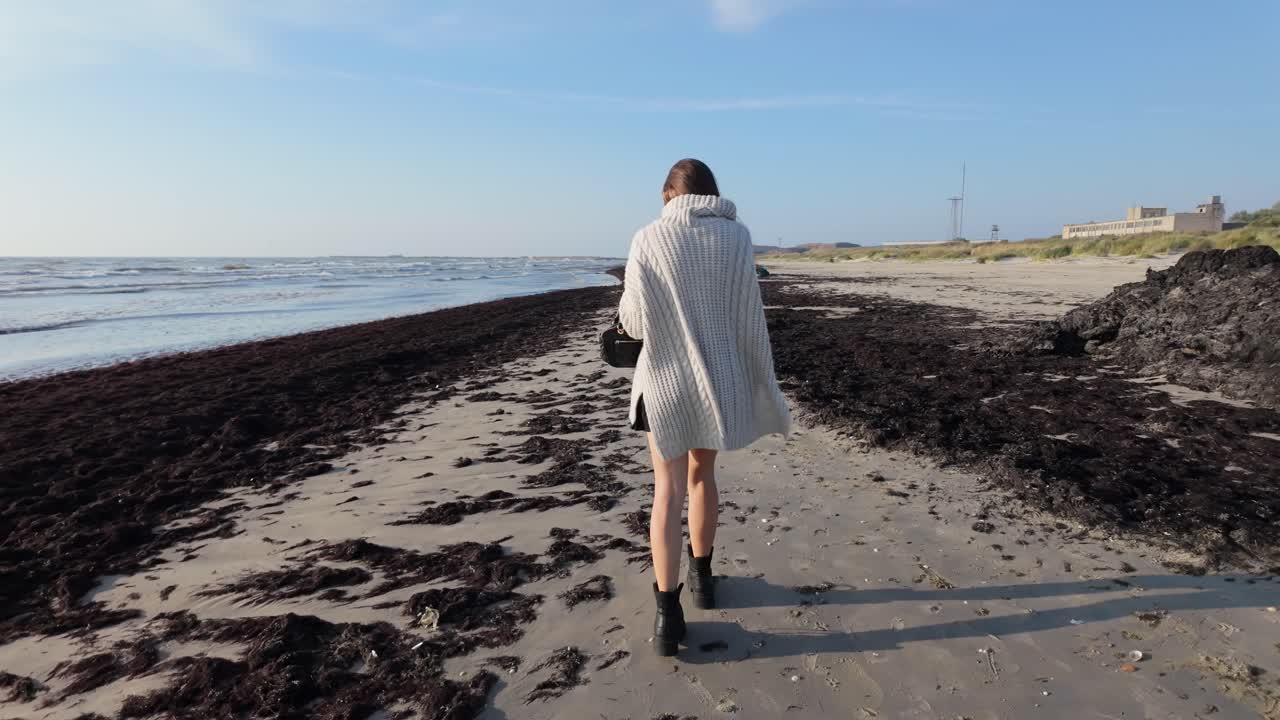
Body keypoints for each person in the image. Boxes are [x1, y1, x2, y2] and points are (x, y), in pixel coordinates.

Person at [618, 158, 791, 657]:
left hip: (665, 383)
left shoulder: (648, 237)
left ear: (668, 194)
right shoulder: (737, 238)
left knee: (666, 491)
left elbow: (633, 323)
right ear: (712, 194)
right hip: (718, 382)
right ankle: (705, 579)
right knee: (702, 480)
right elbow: (747, 316)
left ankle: (667, 615)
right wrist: (760, 382)